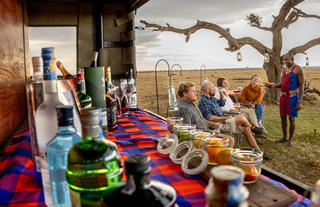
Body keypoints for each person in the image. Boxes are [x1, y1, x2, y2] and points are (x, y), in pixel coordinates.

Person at [197, 81, 272, 160]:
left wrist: (222, 94)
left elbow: (222, 103)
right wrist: (225, 118)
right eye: (212, 87)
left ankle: (258, 151)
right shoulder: (203, 101)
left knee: (246, 129)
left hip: (225, 120)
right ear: (208, 90)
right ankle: (254, 128)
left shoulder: (211, 98)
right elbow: (209, 118)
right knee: (241, 118)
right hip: (219, 124)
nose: (214, 89)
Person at [174, 82, 234, 148]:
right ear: (184, 94)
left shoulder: (190, 103)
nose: (195, 93)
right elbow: (188, 132)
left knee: (230, 139)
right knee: (230, 140)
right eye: (192, 91)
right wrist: (209, 132)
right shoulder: (184, 108)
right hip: (201, 139)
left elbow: (201, 120)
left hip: (206, 132)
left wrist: (213, 124)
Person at [268, 53, 304, 146]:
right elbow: (282, 83)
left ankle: (290, 139)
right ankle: (284, 137)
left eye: (287, 60)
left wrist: (299, 102)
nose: (285, 62)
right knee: (283, 117)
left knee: (291, 118)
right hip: (283, 97)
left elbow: (301, 86)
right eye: (284, 60)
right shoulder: (284, 69)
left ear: (292, 59)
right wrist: (274, 85)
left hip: (292, 97)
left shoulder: (298, 69)